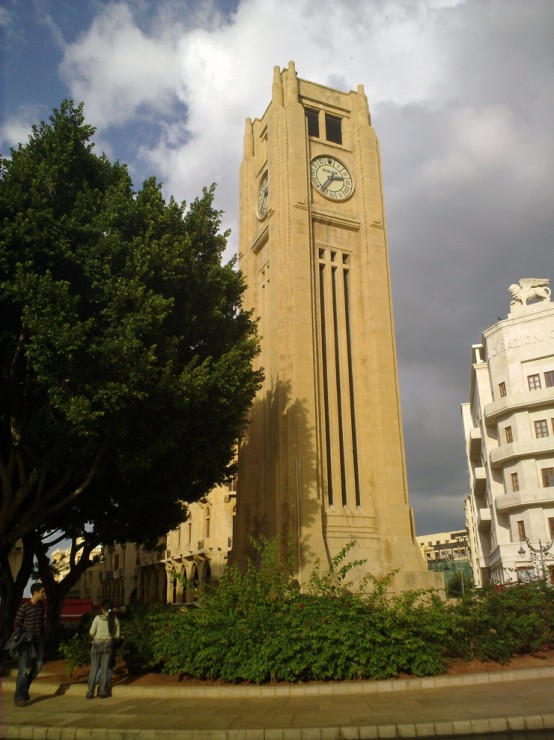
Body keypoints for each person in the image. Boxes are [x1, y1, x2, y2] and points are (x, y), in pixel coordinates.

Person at [13, 582, 46, 707]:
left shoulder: (41, 607)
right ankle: (19, 696)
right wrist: (22, 635)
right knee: (24, 669)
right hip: (26, 642)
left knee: (38, 665)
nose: (44, 594)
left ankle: (24, 689)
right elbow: (17, 623)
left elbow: (41, 622)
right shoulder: (25, 607)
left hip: (38, 640)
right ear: (36, 592)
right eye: (42, 592)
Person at [86, 599, 120, 699]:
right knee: (105, 669)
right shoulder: (115, 619)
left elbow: (91, 632)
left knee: (94, 669)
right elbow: (117, 635)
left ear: (102, 609)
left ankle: (90, 692)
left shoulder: (97, 618)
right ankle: (102, 692)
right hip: (108, 644)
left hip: (97, 644)